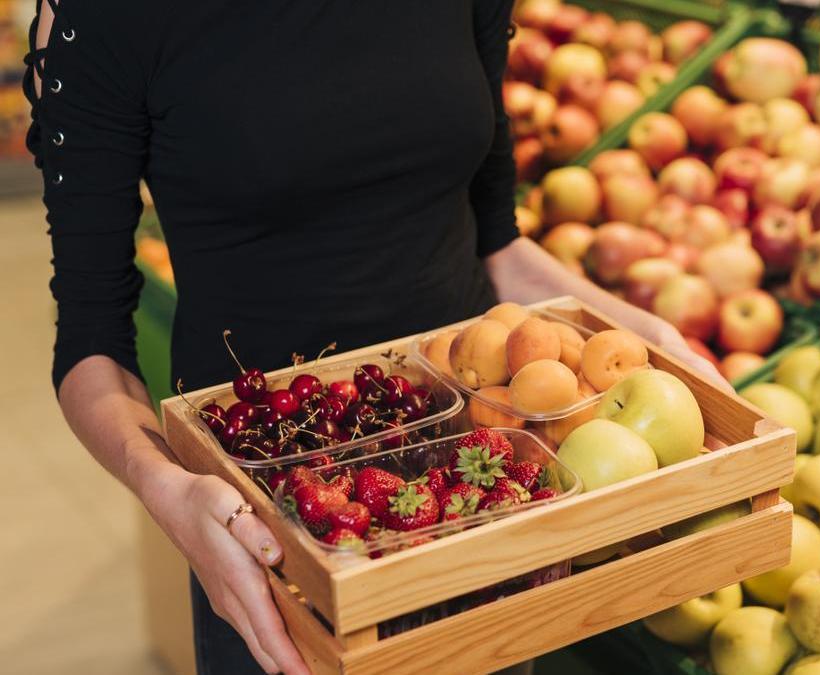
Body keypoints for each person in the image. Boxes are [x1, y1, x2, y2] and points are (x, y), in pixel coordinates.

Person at [23, 1, 726, 672]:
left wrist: (650, 334)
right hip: (282, 534)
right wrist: (167, 490)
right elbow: (92, 339)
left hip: (483, 493)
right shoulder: (106, 11)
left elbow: (495, 248)